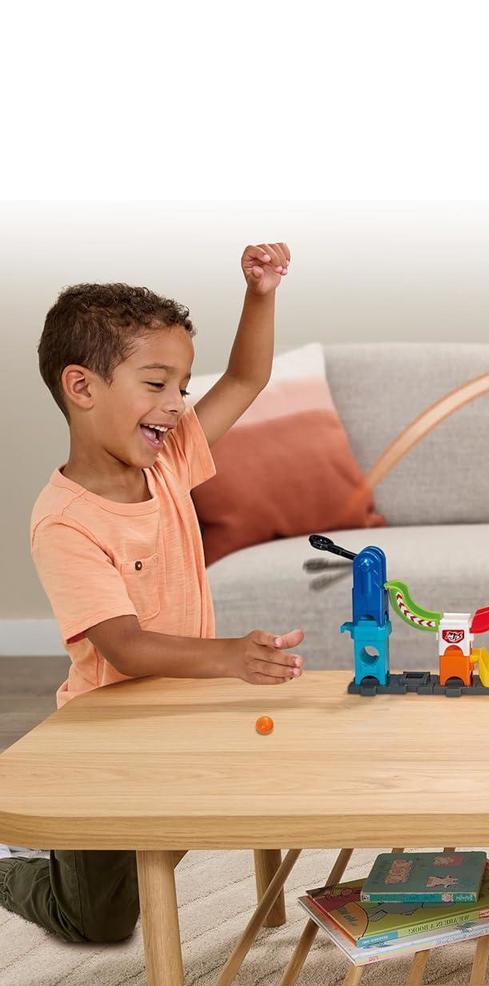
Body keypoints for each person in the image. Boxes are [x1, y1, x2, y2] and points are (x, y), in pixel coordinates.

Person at [0, 244, 305, 942]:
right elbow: (125, 647)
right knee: (99, 919)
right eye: (157, 384)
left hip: (180, 712)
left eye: (183, 388)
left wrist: (260, 294)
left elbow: (249, 376)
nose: (175, 406)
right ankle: (13, 862)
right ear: (82, 387)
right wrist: (230, 656)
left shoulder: (166, 462)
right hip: (104, 742)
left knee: (213, 810)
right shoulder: (65, 522)